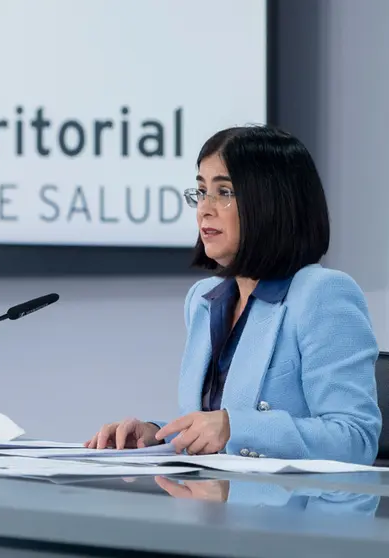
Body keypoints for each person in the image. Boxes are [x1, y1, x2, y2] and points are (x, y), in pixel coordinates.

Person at [84, 125, 382, 465]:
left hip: (292, 514)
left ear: (271, 202)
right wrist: (158, 435)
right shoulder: (203, 300)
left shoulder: (323, 294)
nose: (204, 209)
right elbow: (216, 427)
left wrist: (235, 427)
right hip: (211, 507)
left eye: (224, 192)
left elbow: (355, 439)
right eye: (200, 192)